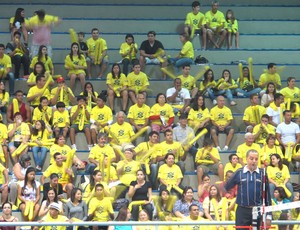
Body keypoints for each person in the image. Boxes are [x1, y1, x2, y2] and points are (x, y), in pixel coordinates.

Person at [225, 149, 272, 230]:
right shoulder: (239, 172)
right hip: (242, 211)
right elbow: (226, 187)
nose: (254, 161)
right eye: (251, 158)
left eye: (256, 159)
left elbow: (267, 196)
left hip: (258, 210)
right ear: (246, 159)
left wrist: (269, 216)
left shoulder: (262, 174)